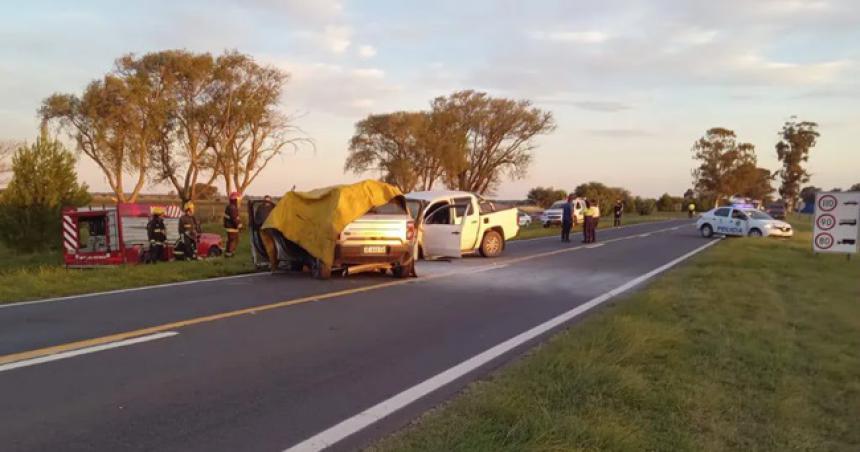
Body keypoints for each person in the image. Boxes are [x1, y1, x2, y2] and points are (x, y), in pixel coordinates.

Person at [223, 192, 242, 257]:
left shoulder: (232, 207)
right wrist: (239, 225)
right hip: (231, 227)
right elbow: (234, 218)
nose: (240, 202)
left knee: (235, 240)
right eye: (239, 200)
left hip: (232, 227)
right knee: (232, 240)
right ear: (235, 200)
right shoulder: (232, 208)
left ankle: (230, 253)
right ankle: (229, 254)